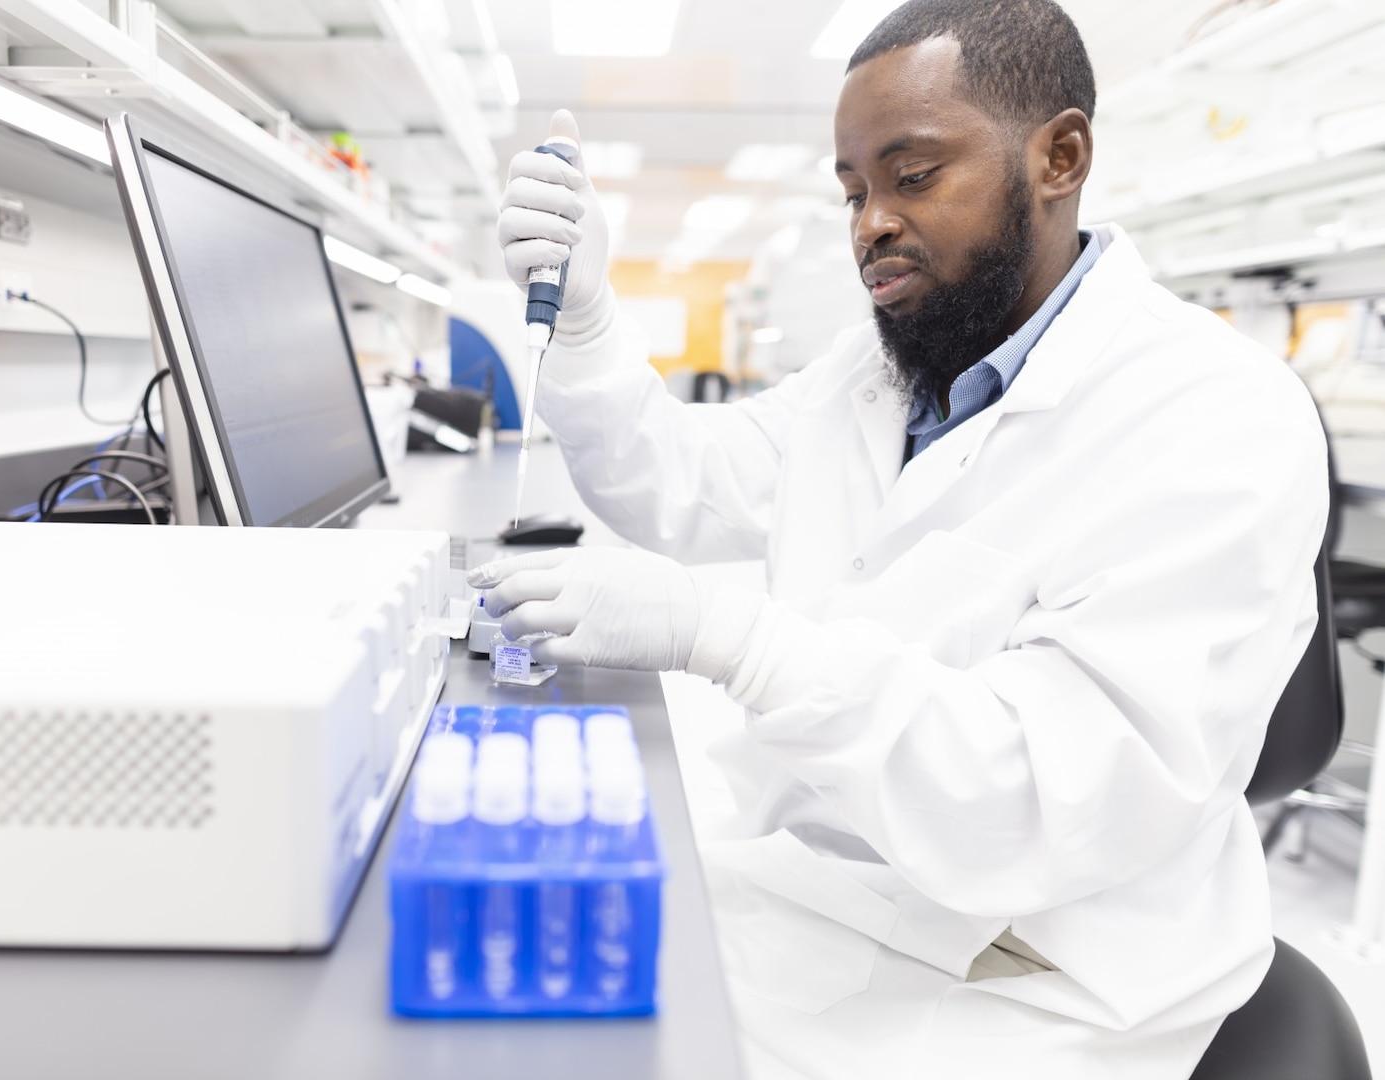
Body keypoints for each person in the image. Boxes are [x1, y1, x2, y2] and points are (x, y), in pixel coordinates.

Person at [472, 0, 1330, 1076]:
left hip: (1034, 969)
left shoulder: (1214, 413)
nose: (870, 221)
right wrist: (593, 323)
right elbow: (685, 482)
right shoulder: (880, 374)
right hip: (835, 889)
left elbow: (1043, 796)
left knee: (562, 1038)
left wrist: (738, 642)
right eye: (852, 192)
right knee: (536, 960)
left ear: (1059, 156)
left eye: (912, 176)